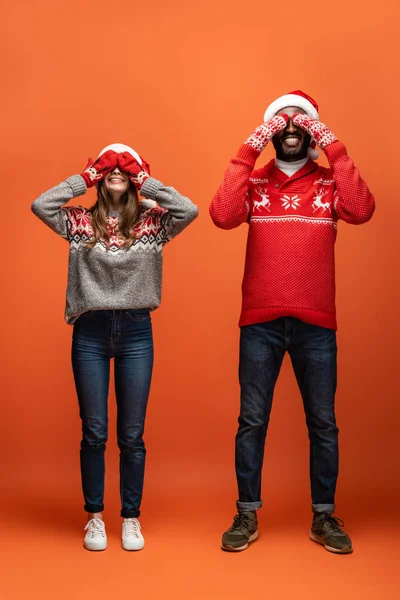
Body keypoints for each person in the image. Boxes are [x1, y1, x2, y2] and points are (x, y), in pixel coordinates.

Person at [210, 90, 375, 554]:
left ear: (312, 134)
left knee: (323, 423)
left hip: (316, 324)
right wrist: (248, 148)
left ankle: (323, 517)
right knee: (251, 421)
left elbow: (362, 210)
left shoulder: (328, 183)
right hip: (259, 323)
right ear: (270, 134)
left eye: (300, 125)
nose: (289, 131)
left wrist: (335, 146)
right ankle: (246, 513)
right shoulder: (256, 183)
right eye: (280, 126)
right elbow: (222, 215)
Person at [32, 144, 198, 551]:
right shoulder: (78, 221)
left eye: (125, 166)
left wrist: (145, 179)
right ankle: (94, 518)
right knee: (94, 432)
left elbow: (188, 210)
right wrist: (84, 177)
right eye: (110, 166)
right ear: (99, 175)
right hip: (89, 330)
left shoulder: (154, 223)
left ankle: (130, 518)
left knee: (132, 434)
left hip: (137, 332)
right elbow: (41, 204)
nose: (117, 170)